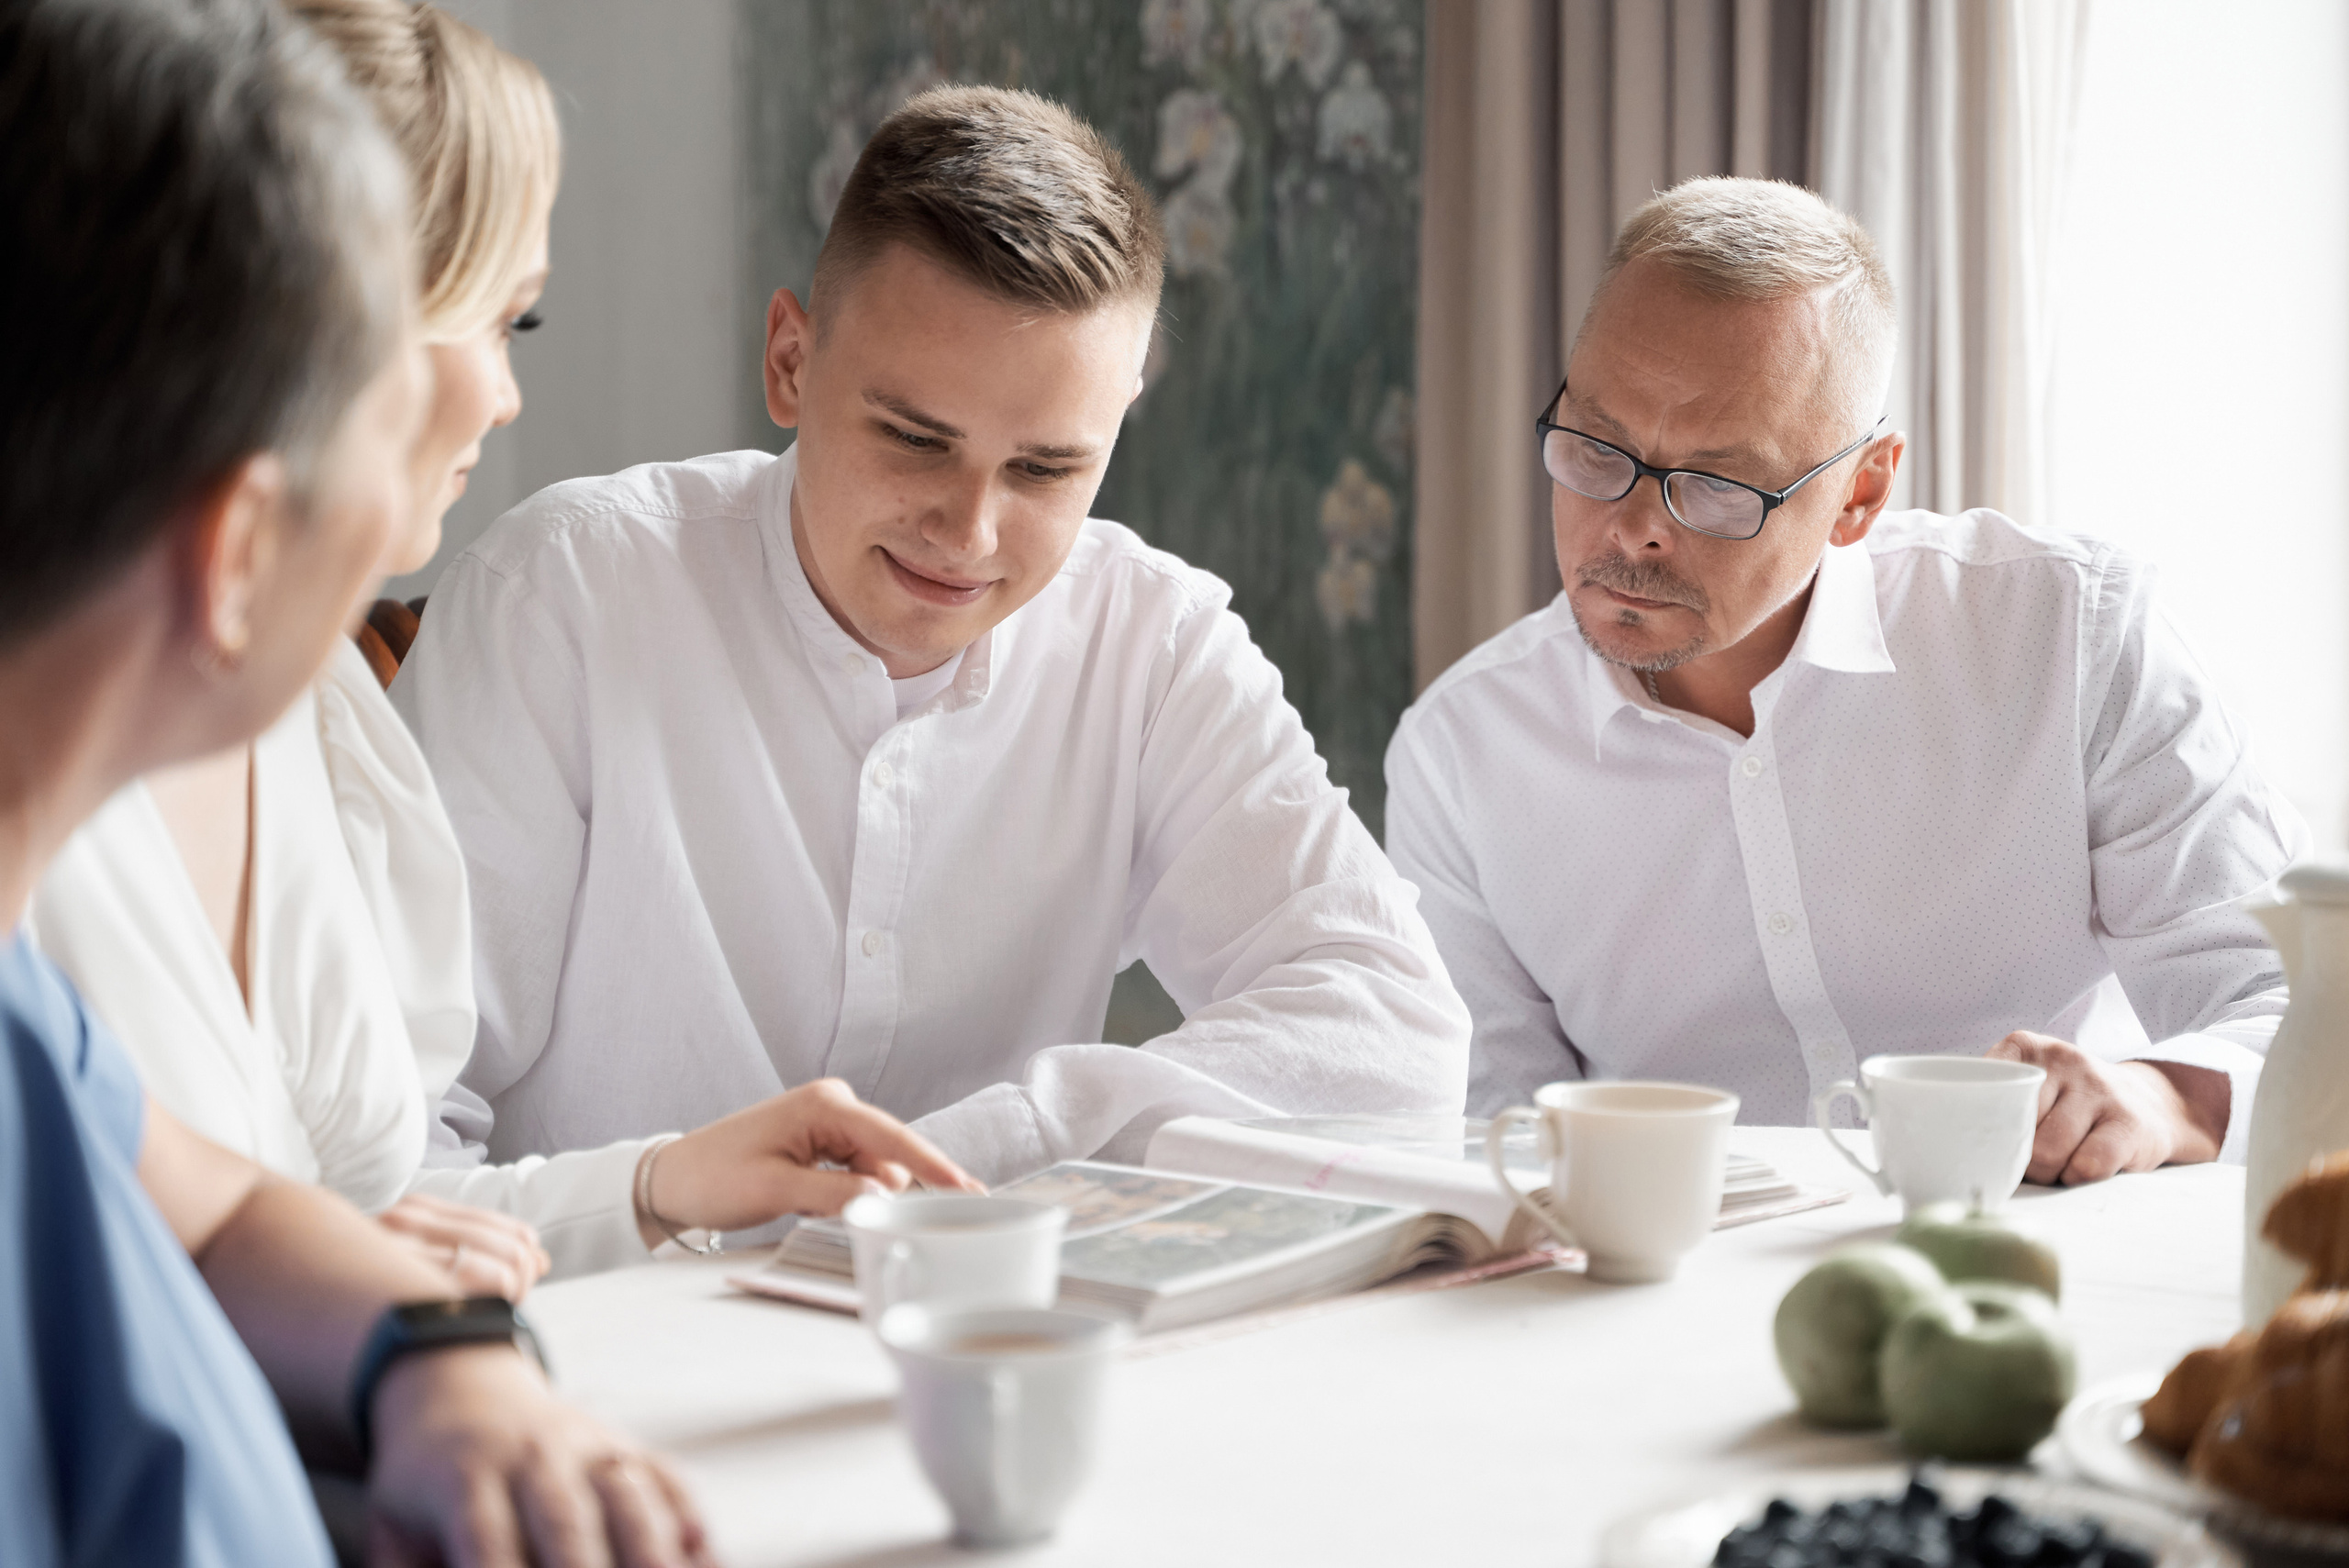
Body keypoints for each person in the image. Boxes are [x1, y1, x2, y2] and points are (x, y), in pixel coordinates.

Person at [29, 0, 974, 1294]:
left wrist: (658, 1182)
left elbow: (365, 1226)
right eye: (499, 321)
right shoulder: (55, 770)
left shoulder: (320, 716)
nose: (507, 395)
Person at [394, 84, 1470, 1192]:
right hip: (599, 1294)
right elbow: (379, 1153)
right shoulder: (561, 597)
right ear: (790, 361)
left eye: (1045, 468)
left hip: (983, 1294)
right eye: (915, 440)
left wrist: (992, 1144)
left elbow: (1396, 1040)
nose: (969, 532)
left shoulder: (1154, 647)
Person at [0, 0, 729, 1559]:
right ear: (239, 548)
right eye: (373, 408)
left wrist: (434, 1359)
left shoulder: (28, 1021)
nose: (496, 405)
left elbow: (208, 1204)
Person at [1385, 177, 2300, 1185]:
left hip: (2043, 1244)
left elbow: (2293, 1004)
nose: (1633, 527)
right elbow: (1494, 1140)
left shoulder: (2071, 638)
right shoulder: (1459, 755)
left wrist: (2166, 1096)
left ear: (1860, 490)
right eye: (1597, 450)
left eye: (1715, 485)